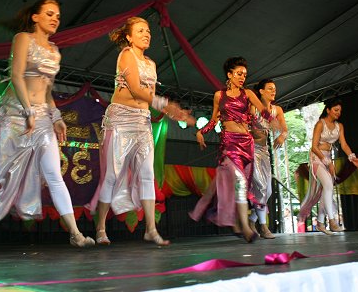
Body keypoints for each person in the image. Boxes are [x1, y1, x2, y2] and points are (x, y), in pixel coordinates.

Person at [0, 0, 95, 254]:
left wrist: (57, 118)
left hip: (41, 118)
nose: (55, 19)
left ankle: (75, 233)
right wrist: (27, 111)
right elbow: (17, 75)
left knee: (54, 174)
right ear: (35, 17)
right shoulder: (23, 39)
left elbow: (47, 90)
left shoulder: (54, 51)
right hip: (14, 115)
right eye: (50, 13)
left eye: (58, 16)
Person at [88, 17, 194, 246]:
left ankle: (151, 229)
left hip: (142, 121)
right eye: (140, 31)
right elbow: (136, 90)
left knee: (147, 174)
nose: (146, 34)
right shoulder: (126, 54)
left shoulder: (152, 64)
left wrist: (172, 111)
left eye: (148, 31)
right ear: (129, 36)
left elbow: (148, 96)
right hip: (120, 120)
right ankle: (100, 228)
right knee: (112, 175)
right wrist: (165, 105)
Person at [190, 57, 274, 243]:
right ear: (229, 74)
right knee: (241, 183)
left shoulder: (248, 94)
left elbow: (263, 110)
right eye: (239, 74)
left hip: (247, 143)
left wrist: (269, 115)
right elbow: (213, 120)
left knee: (241, 186)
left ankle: (239, 222)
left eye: (244, 74)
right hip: (229, 144)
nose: (242, 77)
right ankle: (245, 227)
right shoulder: (219, 96)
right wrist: (200, 131)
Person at [298, 98, 358, 234]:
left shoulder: (340, 126)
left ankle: (321, 223)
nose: (338, 113)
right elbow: (314, 147)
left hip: (327, 158)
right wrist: (328, 163)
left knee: (326, 190)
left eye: (340, 110)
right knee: (328, 185)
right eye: (335, 110)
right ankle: (332, 221)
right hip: (317, 158)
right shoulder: (320, 124)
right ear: (328, 110)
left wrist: (352, 157)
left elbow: (344, 145)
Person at [248, 79, 287, 239]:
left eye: (275, 89)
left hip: (264, 151)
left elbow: (284, 129)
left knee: (268, 190)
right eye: (270, 88)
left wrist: (282, 136)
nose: (273, 91)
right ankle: (263, 227)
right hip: (250, 149)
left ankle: (252, 219)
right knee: (261, 188)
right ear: (261, 91)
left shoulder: (277, 110)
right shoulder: (253, 107)